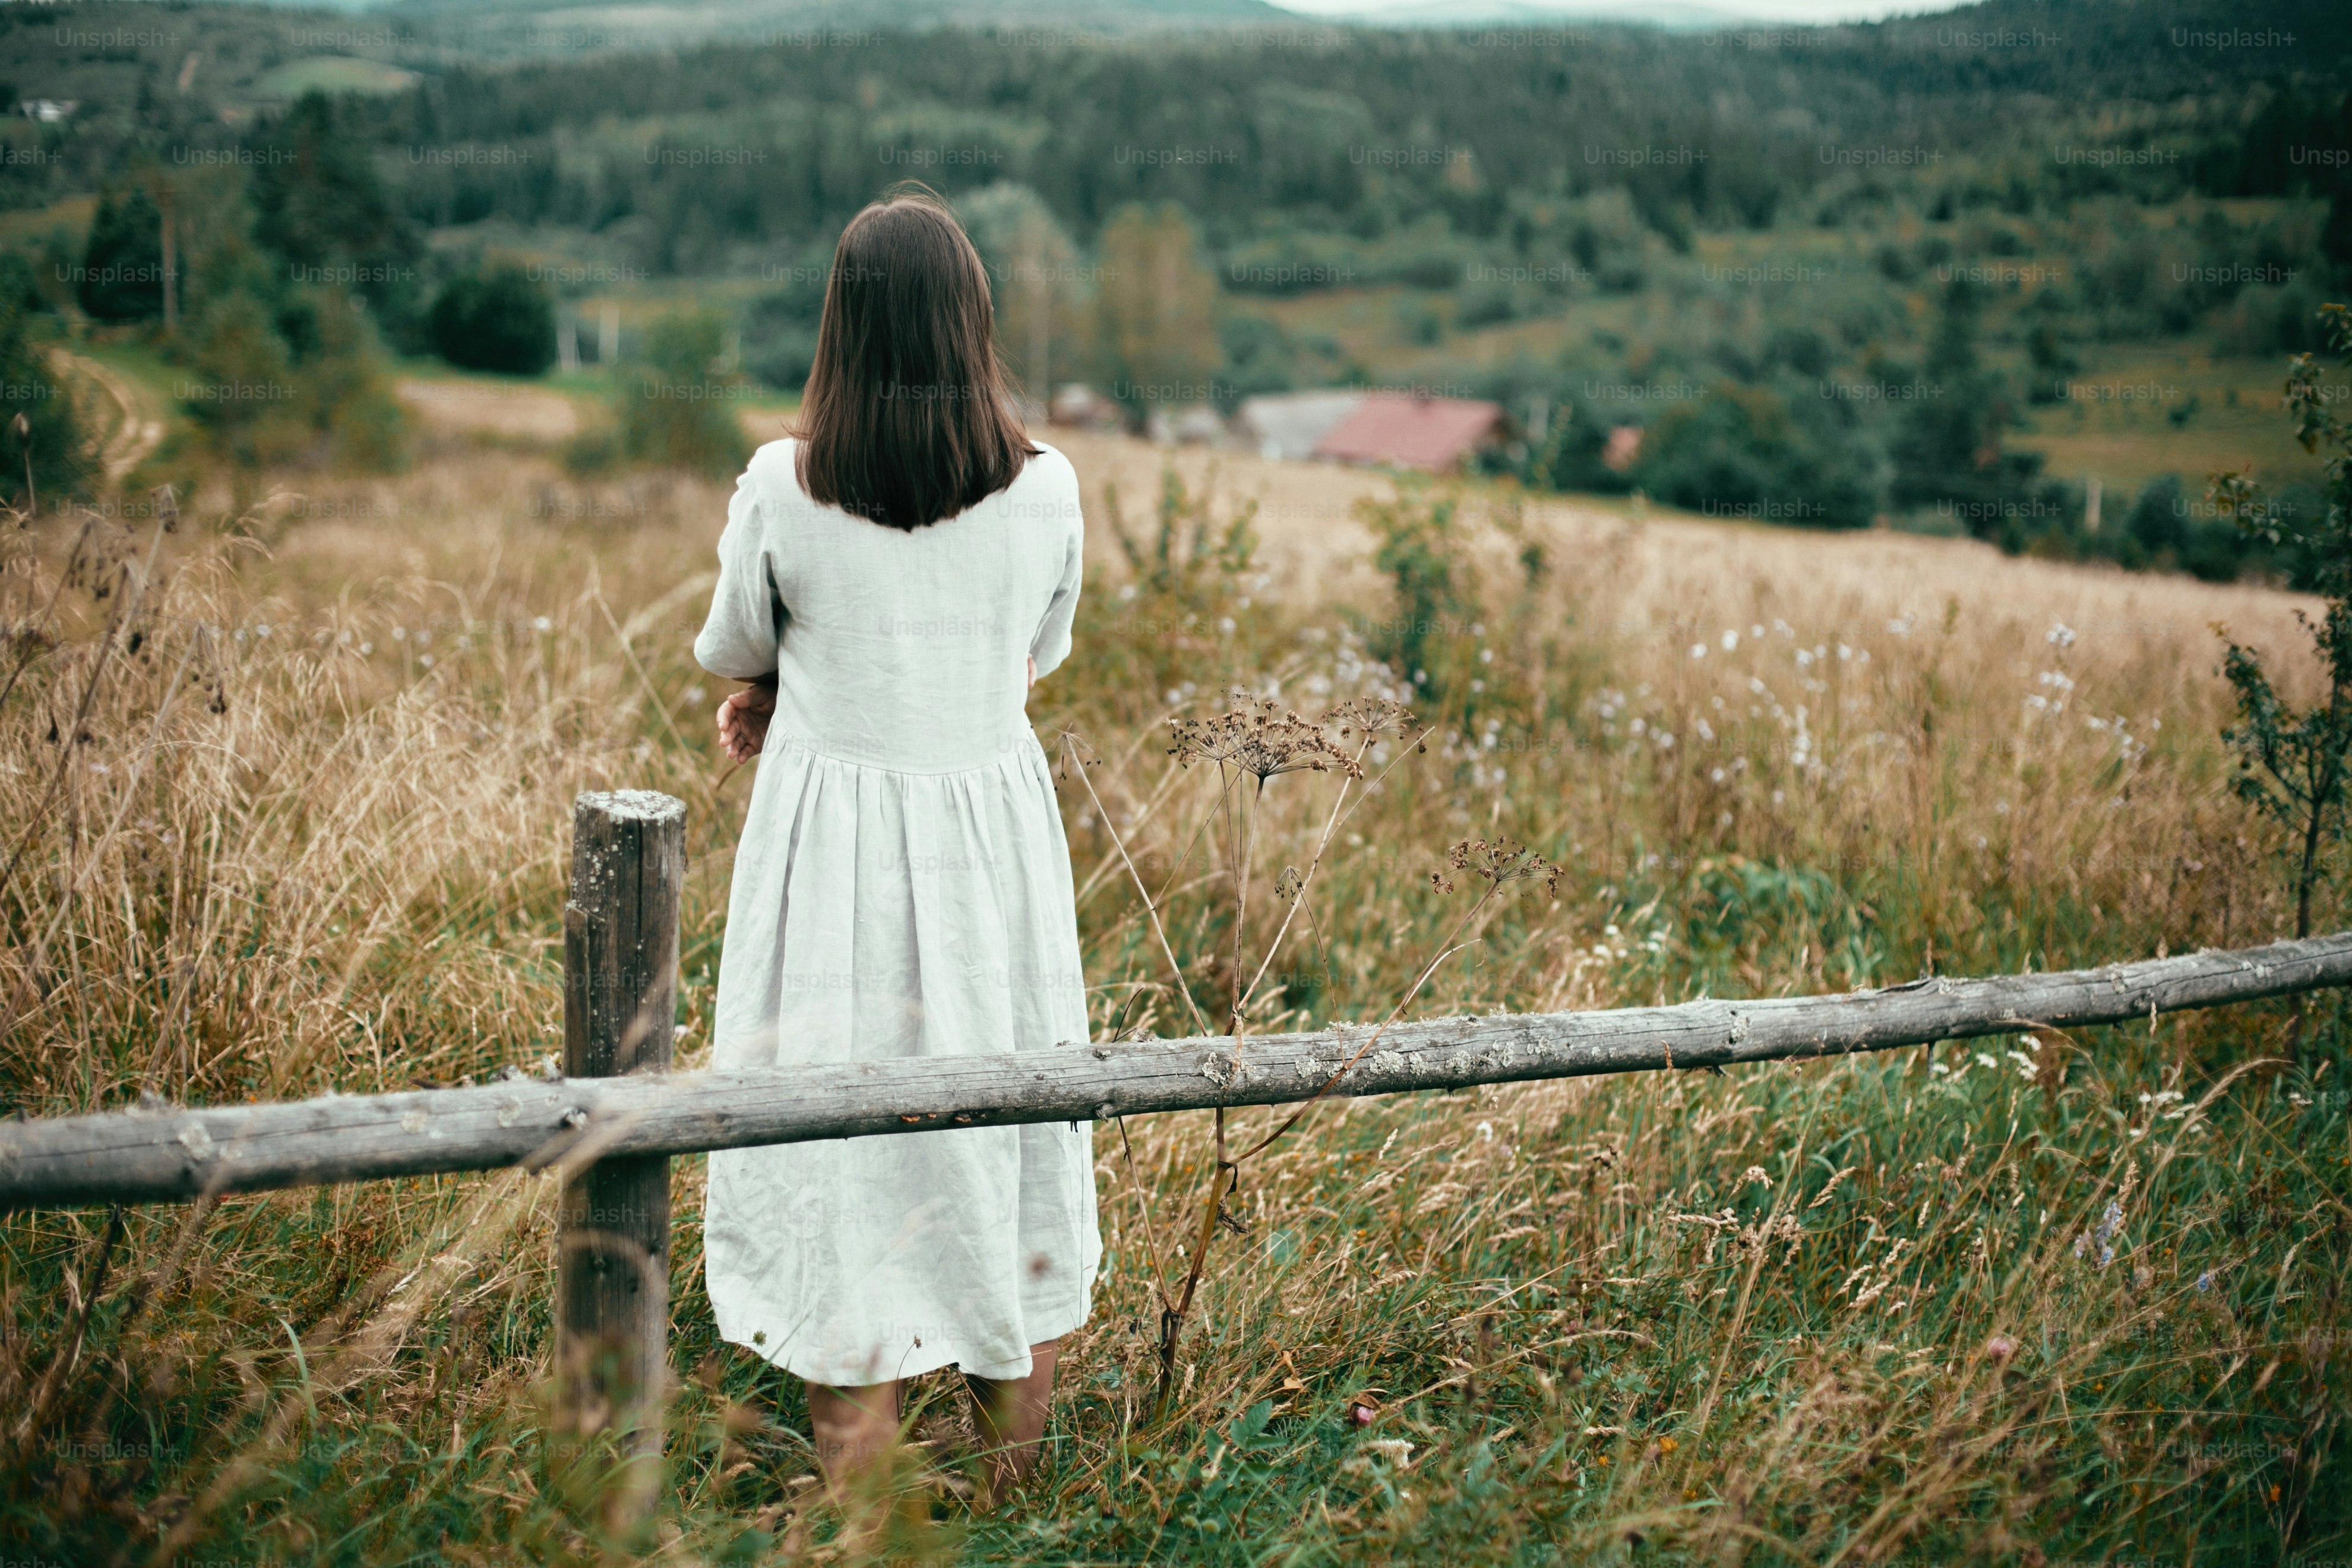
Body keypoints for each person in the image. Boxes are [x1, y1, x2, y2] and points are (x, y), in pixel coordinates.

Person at [690, 186, 1098, 1500]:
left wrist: (769, 693)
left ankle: (864, 1512)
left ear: (842, 335)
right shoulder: (1046, 492)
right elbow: (1036, 652)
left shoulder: (783, 486)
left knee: (840, 1159)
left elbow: (735, 643)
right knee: (1007, 1130)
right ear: (974, 325)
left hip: (835, 867)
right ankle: (1012, 1493)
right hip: (991, 858)